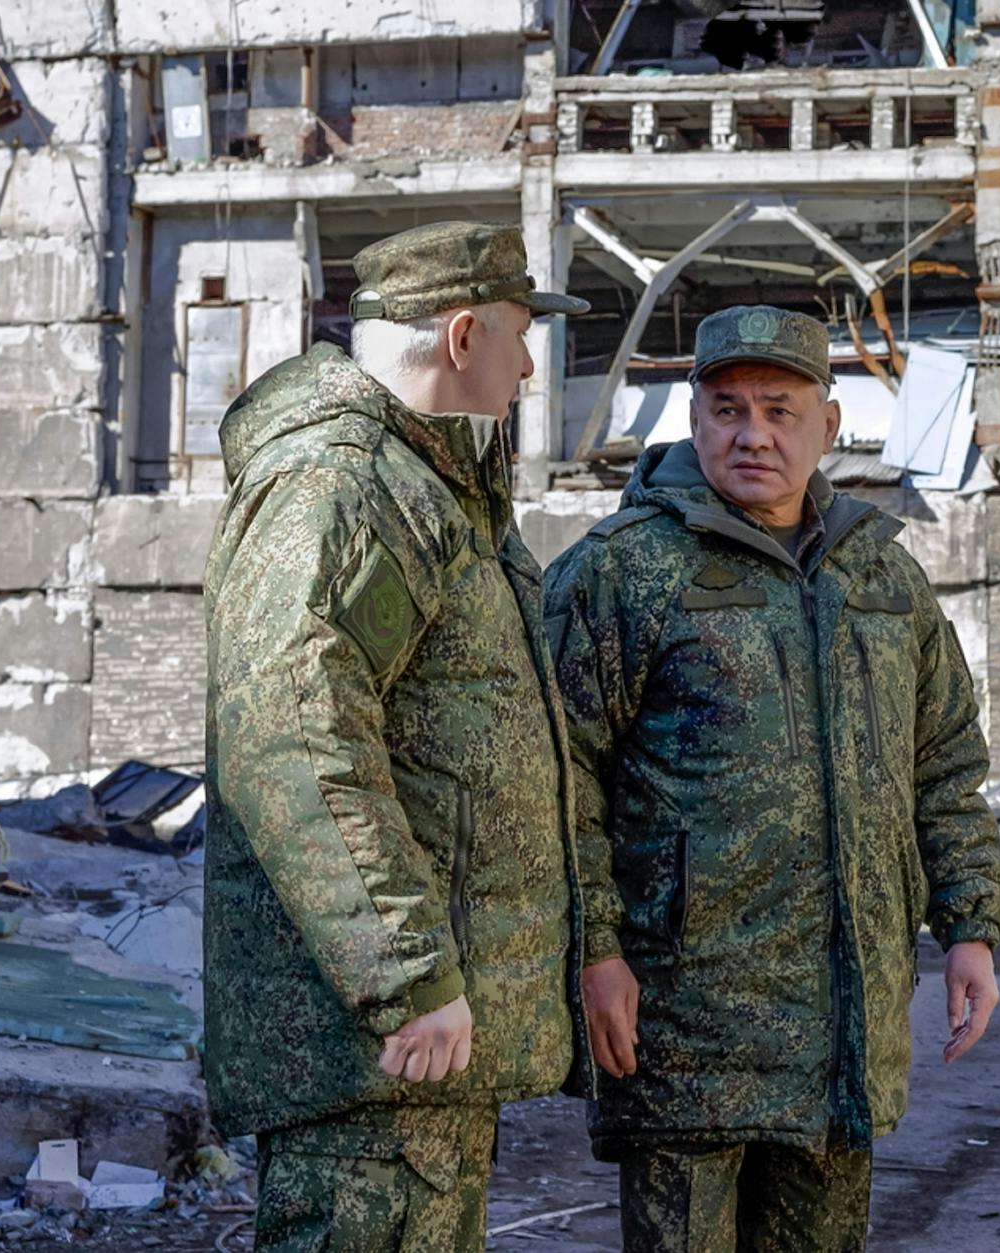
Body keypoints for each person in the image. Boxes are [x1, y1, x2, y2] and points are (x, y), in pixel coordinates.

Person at [545, 304, 1000, 1252]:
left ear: (829, 426)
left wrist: (970, 927)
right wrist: (593, 952)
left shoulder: (882, 578)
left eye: (780, 409)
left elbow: (945, 762)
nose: (753, 432)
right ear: (693, 417)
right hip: (683, 1029)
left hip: (838, 1035)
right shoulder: (624, 572)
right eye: (728, 408)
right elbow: (558, 783)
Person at [202, 221, 595, 1251]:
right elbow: (289, 731)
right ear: (462, 336)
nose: (526, 362)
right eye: (519, 336)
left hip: (416, 1062)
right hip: (375, 1057)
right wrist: (404, 972)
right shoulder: (343, 486)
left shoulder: (428, 488)